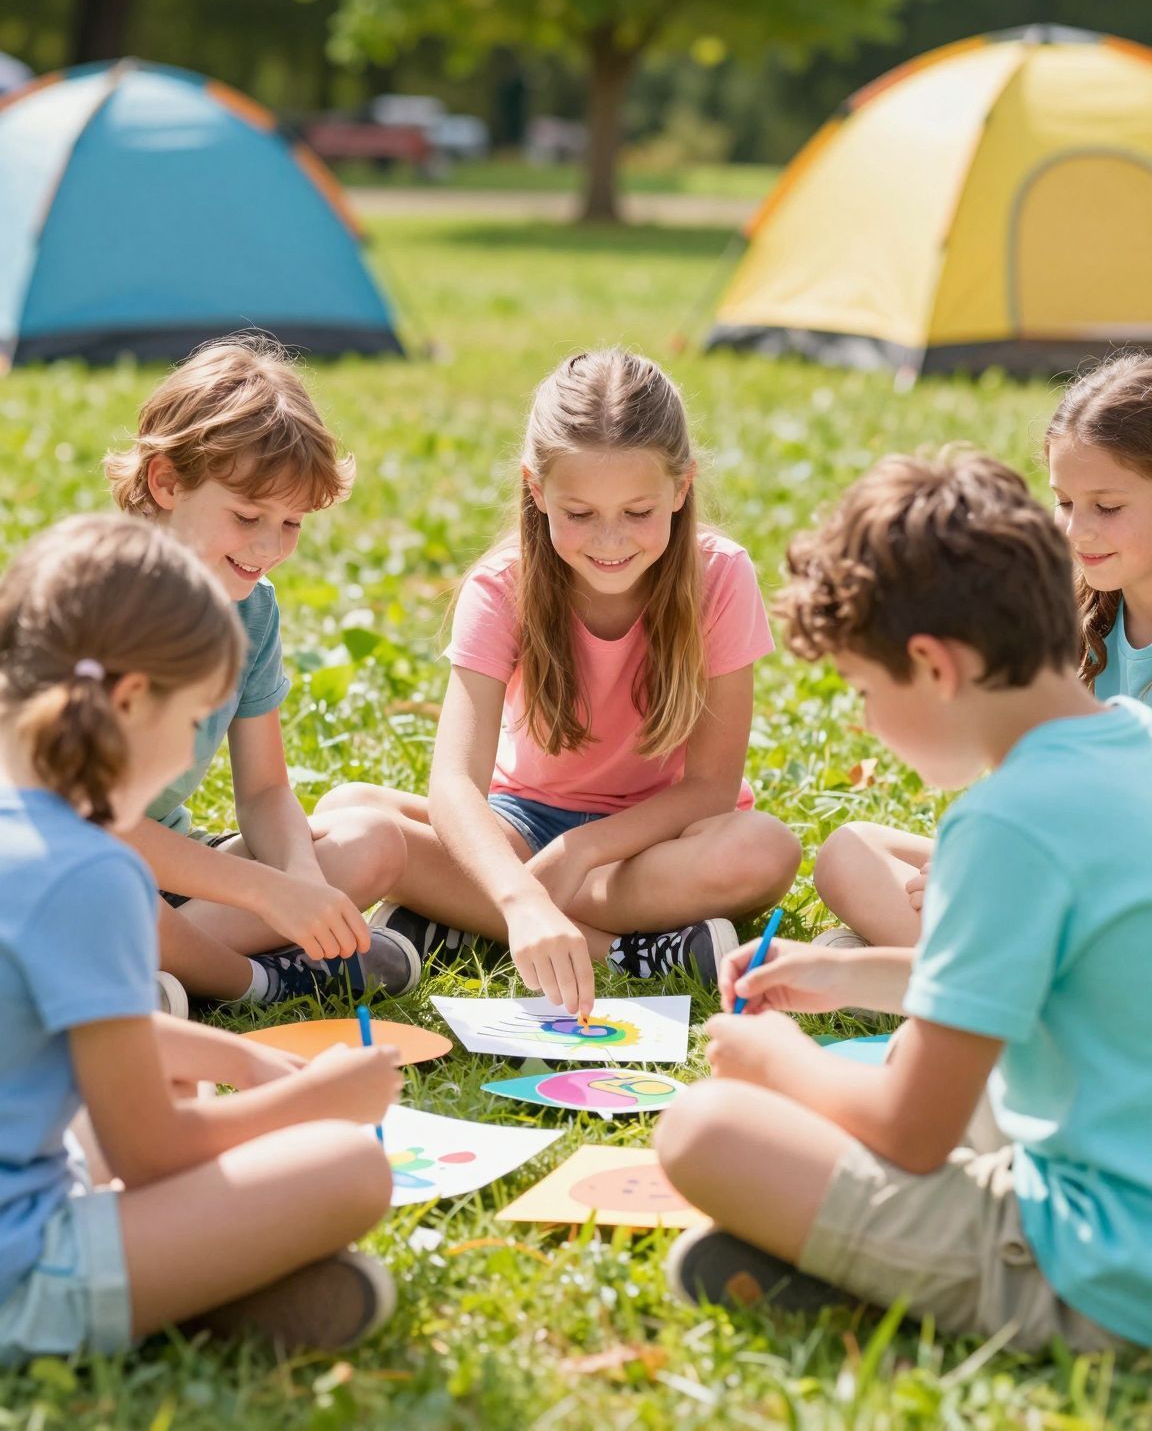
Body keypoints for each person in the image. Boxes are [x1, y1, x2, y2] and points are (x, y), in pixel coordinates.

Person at [658, 451, 1152, 1354]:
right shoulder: (1135, 742)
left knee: (706, 1128)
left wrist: (778, 1060)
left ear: (932, 665)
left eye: (865, 691)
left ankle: (861, 1274)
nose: (866, 723)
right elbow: (1052, 979)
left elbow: (912, 1134)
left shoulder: (1006, 823)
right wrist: (844, 974)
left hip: (1102, 1272)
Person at [0, 514, 400, 1367]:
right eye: (192, 726)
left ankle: (199, 1284)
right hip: (22, 1273)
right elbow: (149, 1155)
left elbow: (49, 1027)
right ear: (133, 699)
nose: (190, 751)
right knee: (348, 1171)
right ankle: (177, 1299)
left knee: (174, 1084)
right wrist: (315, 1103)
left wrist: (243, 1063)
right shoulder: (95, 872)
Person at [351, 349, 800, 1013]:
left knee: (765, 850)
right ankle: (620, 948)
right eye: (581, 513)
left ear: (682, 488)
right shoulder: (502, 585)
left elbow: (711, 785)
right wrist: (522, 889)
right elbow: (452, 784)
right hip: (523, 822)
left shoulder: (721, 576)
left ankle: (457, 912)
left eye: (639, 511)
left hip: (660, 837)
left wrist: (576, 854)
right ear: (537, 490)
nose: (610, 540)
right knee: (348, 813)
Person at [806, 351, 1152, 1007]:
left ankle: (927, 974)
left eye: (1107, 505)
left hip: (1117, 900)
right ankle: (930, 967)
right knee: (851, 849)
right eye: (1064, 501)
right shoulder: (1075, 611)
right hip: (1058, 871)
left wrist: (1005, 873)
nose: (1078, 530)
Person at [105, 338, 411, 1008]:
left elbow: (268, 788)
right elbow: (97, 823)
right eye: (247, 516)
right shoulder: (100, 603)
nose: (270, 547)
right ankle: (257, 982)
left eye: (291, 523)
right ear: (165, 482)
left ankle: (160, 970)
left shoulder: (253, 612)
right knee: (109, 896)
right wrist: (265, 893)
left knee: (374, 843)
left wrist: (302, 878)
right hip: (77, 862)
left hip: (174, 875)